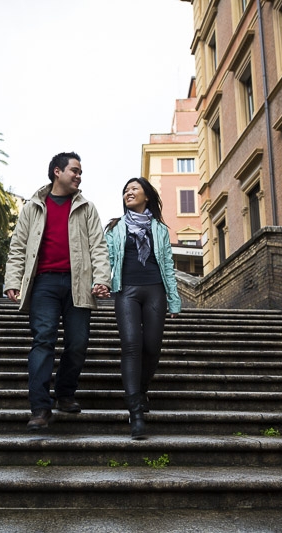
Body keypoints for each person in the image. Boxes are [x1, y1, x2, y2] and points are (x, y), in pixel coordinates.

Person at [4, 152, 111, 431]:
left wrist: (102, 279)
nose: (79, 176)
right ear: (57, 172)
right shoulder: (33, 206)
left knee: (77, 343)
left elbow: (99, 247)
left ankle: (64, 394)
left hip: (78, 283)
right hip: (44, 284)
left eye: (80, 172)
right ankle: (40, 407)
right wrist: (12, 281)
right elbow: (18, 246)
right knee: (43, 341)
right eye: (74, 170)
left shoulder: (87, 207)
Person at [105, 177, 181, 439]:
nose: (129, 192)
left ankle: (141, 389)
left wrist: (173, 299)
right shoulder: (115, 227)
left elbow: (168, 264)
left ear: (146, 196)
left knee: (152, 346)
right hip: (126, 290)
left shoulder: (159, 228)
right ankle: (135, 411)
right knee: (131, 345)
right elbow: (108, 259)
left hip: (155, 290)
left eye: (134, 189)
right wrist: (100, 282)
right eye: (126, 189)